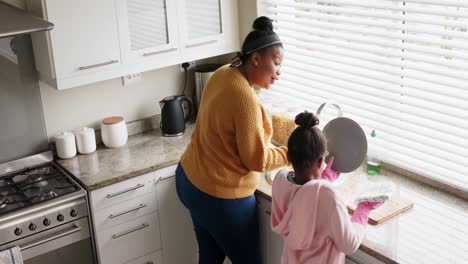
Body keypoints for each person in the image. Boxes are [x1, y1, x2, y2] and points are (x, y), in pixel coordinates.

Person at [175, 16, 289, 264]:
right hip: (219, 197)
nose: (279, 71)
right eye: (276, 62)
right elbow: (257, 159)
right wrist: (292, 154)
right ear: (256, 58)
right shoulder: (244, 98)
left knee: (210, 257)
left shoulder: (223, 73)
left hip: (189, 180)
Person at [271, 111, 384, 264]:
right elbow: (349, 244)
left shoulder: (280, 181)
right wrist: (364, 209)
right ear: (320, 161)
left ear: (289, 156)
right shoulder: (327, 196)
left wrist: (324, 179)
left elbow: (303, 198)